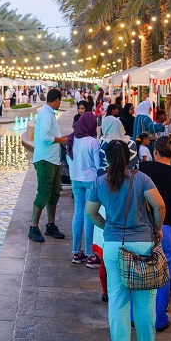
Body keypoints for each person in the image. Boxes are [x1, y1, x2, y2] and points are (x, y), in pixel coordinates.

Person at [86, 139, 165, 341]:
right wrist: (157, 227)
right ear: (129, 157)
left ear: (107, 158)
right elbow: (159, 205)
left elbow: (91, 213)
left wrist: (108, 228)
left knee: (118, 301)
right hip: (143, 246)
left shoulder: (99, 182)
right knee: (145, 302)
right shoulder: (142, 179)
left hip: (114, 246)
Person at [139, 136, 171, 332]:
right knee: (163, 276)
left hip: (142, 226)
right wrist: (169, 205)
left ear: (155, 151)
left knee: (139, 271)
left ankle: (136, 316)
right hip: (166, 229)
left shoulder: (143, 169)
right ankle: (159, 320)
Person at [29, 88, 68, 243]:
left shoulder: (49, 112)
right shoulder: (46, 114)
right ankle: (33, 227)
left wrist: (60, 139)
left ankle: (50, 225)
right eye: (60, 100)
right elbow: (45, 137)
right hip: (45, 159)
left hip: (53, 159)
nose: (61, 103)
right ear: (57, 100)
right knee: (44, 193)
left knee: (54, 193)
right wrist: (61, 140)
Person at [67, 112, 101, 267]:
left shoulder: (72, 139)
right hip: (90, 181)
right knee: (89, 215)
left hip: (75, 179)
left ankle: (76, 251)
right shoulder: (93, 142)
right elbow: (98, 163)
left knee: (78, 213)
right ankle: (89, 253)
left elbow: (69, 160)